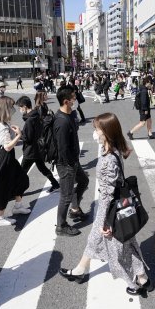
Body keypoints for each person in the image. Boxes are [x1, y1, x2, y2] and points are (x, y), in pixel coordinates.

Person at [59, 113, 152, 296]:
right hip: (109, 206)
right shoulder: (111, 148)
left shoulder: (109, 158)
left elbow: (109, 194)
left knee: (118, 247)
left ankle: (137, 283)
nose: (94, 132)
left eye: (97, 129)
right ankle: (81, 270)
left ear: (106, 132)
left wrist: (107, 223)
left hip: (109, 209)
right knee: (102, 241)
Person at [0, 96, 31, 226]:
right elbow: (7, 146)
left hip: (9, 158)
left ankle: (18, 206)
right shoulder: (1, 126)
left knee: (21, 180)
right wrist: (18, 135)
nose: (13, 109)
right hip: (4, 158)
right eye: (11, 107)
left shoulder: (4, 123)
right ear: (5, 109)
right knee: (3, 188)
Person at [54, 87, 90, 236]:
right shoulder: (61, 121)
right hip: (66, 163)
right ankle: (61, 226)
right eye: (73, 98)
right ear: (66, 101)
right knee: (66, 195)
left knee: (83, 181)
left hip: (73, 160)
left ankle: (75, 210)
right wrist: (71, 164)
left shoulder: (69, 114)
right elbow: (62, 148)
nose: (76, 100)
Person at [16, 95, 60, 192]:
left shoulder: (29, 120)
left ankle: (16, 192)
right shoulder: (36, 115)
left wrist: (19, 134)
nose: (19, 110)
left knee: (22, 172)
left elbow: (28, 138)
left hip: (30, 151)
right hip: (38, 148)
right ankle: (55, 184)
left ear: (25, 106)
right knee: (42, 168)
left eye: (20, 107)